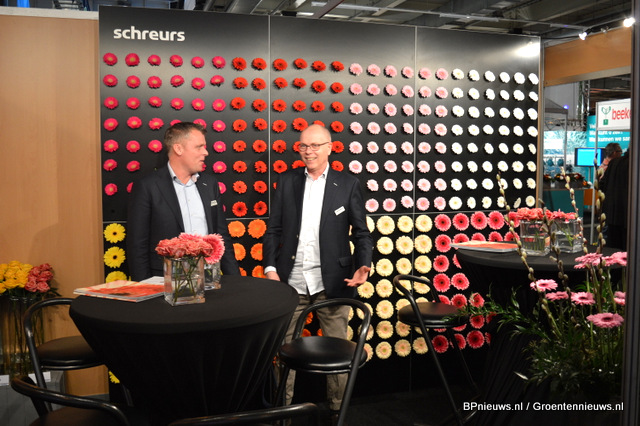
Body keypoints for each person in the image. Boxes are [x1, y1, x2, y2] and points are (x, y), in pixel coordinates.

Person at [263, 124, 372, 422]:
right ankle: (282, 414)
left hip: (334, 283)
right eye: (303, 146)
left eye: (314, 146)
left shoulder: (347, 184)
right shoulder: (286, 182)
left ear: (329, 148)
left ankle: (338, 412)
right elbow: (273, 230)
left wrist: (364, 264)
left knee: (338, 354)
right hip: (291, 285)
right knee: (283, 353)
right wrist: (270, 268)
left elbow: (362, 233)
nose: (308, 151)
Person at [127, 122, 239, 280]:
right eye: (199, 147)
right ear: (178, 149)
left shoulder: (210, 184)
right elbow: (137, 245)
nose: (206, 152)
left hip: (208, 279)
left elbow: (221, 236)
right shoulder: (148, 186)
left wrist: (236, 280)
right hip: (165, 281)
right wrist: (144, 286)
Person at [599, 148, 629, 250]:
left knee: (613, 250)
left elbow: (602, 184)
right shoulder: (633, 163)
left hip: (612, 214)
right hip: (629, 216)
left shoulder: (614, 163)